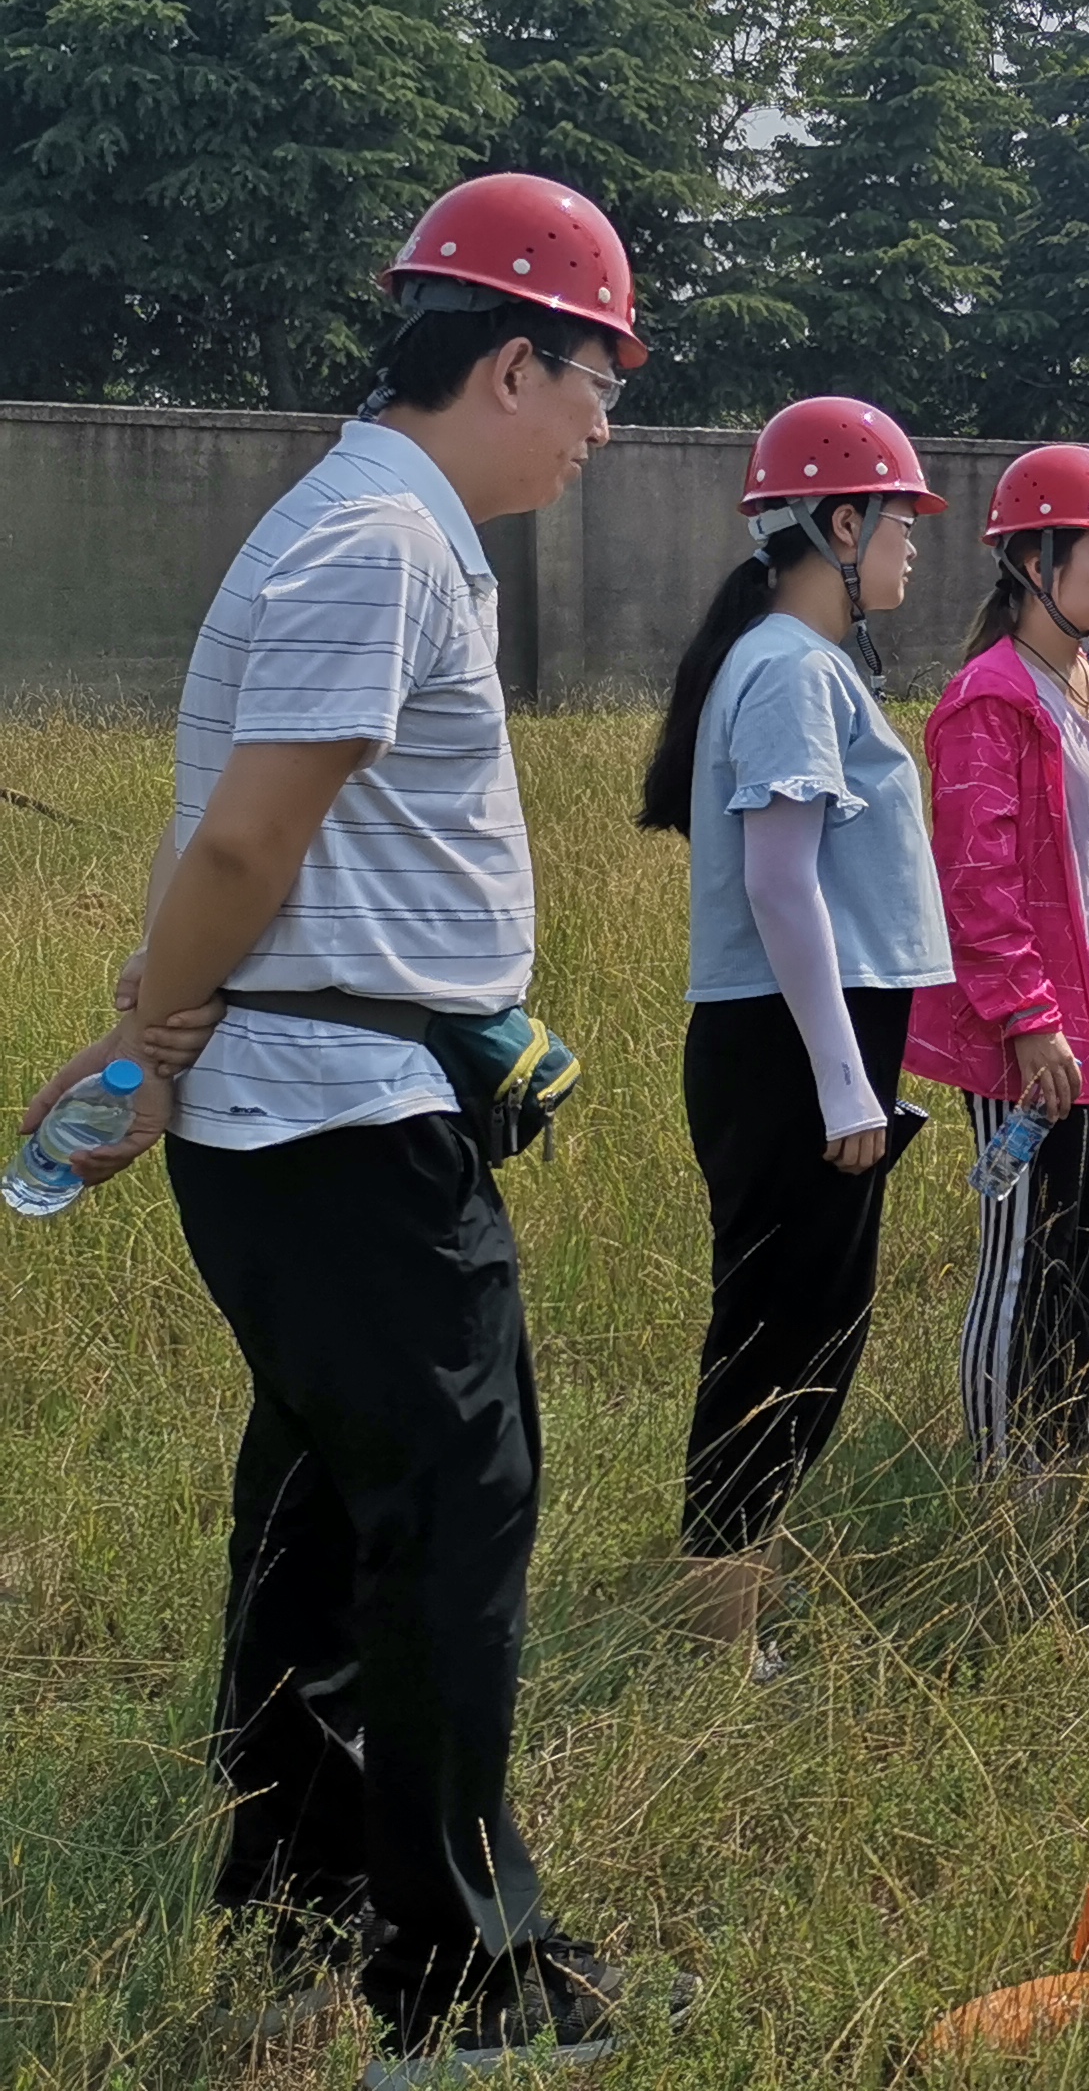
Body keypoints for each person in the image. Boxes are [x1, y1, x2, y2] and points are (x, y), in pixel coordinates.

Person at [16, 175, 653, 2071]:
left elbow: (253, 826)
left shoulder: (378, 525)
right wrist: (151, 1031)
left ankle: (291, 1880)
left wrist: (156, 1032)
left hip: (326, 1106)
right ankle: (458, 1985)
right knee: (455, 1518)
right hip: (337, 1122)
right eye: (599, 381)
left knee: (321, 1501)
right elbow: (242, 835)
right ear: (513, 361)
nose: (609, 426)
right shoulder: (380, 538)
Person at [633, 398, 950, 1656]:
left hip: (814, 1043)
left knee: (819, 1317)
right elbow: (780, 884)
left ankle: (743, 1590)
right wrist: (841, 1086)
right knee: (774, 1328)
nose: (914, 546)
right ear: (836, 522)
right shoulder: (783, 669)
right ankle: (719, 1631)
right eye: (897, 521)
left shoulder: (802, 664)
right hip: (786, 1048)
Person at [912, 444, 1089, 1490]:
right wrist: (1028, 1019)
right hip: (1035, 1032)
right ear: (1034, 560)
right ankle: (999, 1469)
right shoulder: (990, 699)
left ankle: (1064, 1446)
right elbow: (973, 886)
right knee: (1022, 1252)